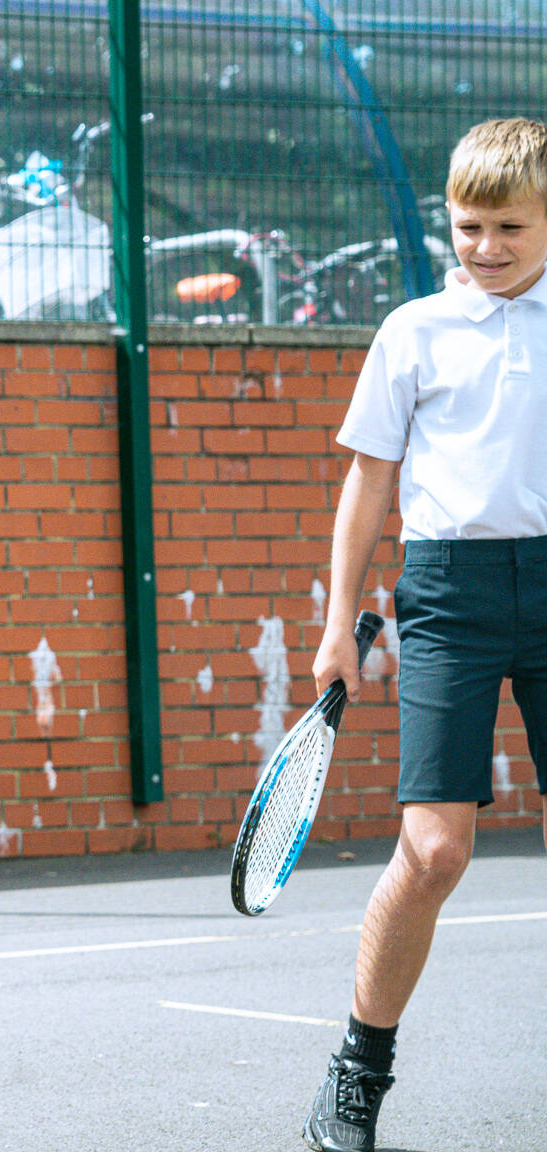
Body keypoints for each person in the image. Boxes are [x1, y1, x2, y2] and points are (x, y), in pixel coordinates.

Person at [303, 117, 547, 1152]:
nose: (483, 246)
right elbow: (366, 482)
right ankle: (356, 1074)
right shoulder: (413, 331)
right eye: (465, 226)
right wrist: (332, 629)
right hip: (445, 591)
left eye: (507, 227)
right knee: (435, 848)